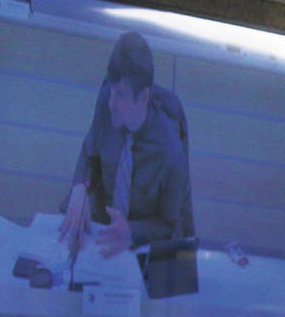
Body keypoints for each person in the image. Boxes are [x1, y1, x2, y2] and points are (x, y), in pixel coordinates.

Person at [57, 31, 193, 262]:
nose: (111, 102)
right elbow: (90, 155)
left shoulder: (170, 150)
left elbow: (172, 224)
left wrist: (132, 231)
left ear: (143, 98)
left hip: (143, 246)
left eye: (120, 94)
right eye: (111, 90)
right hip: (102, 238)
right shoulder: (107, 100)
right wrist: (81, 186)